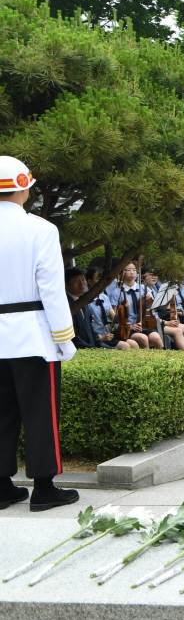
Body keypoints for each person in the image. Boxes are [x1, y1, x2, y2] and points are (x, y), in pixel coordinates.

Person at [0, 156, 80, 511]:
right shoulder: (41, 229)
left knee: (1, 414)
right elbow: (51, 289)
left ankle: (2, 487)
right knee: (39, 413)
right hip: (32, 335)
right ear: (26, 188)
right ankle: (44, 488)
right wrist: (64, 337)